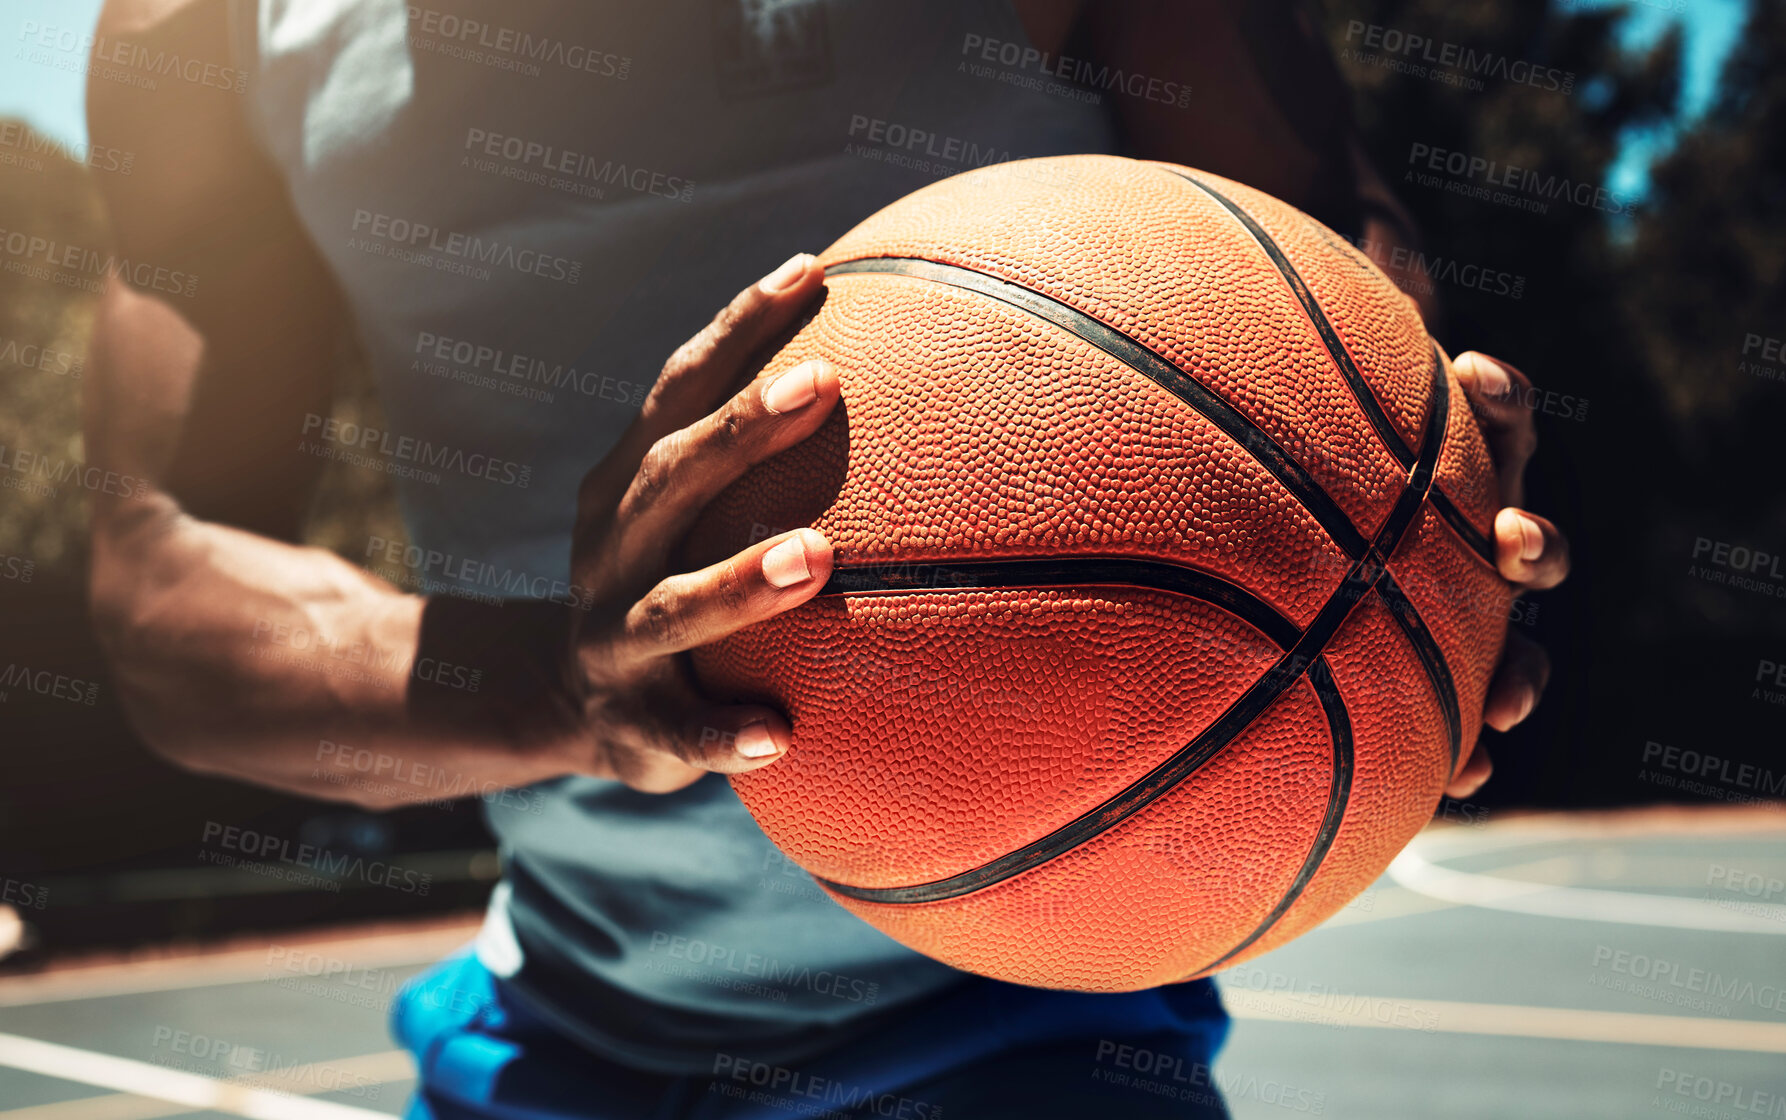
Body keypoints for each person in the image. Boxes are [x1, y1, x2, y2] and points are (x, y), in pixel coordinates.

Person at [82, 0, 1570, 1116]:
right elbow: (157, 574)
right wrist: (554, 686)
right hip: (561, 1025)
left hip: (1040, 1018)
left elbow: (1312, 233)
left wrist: (1414, 505)